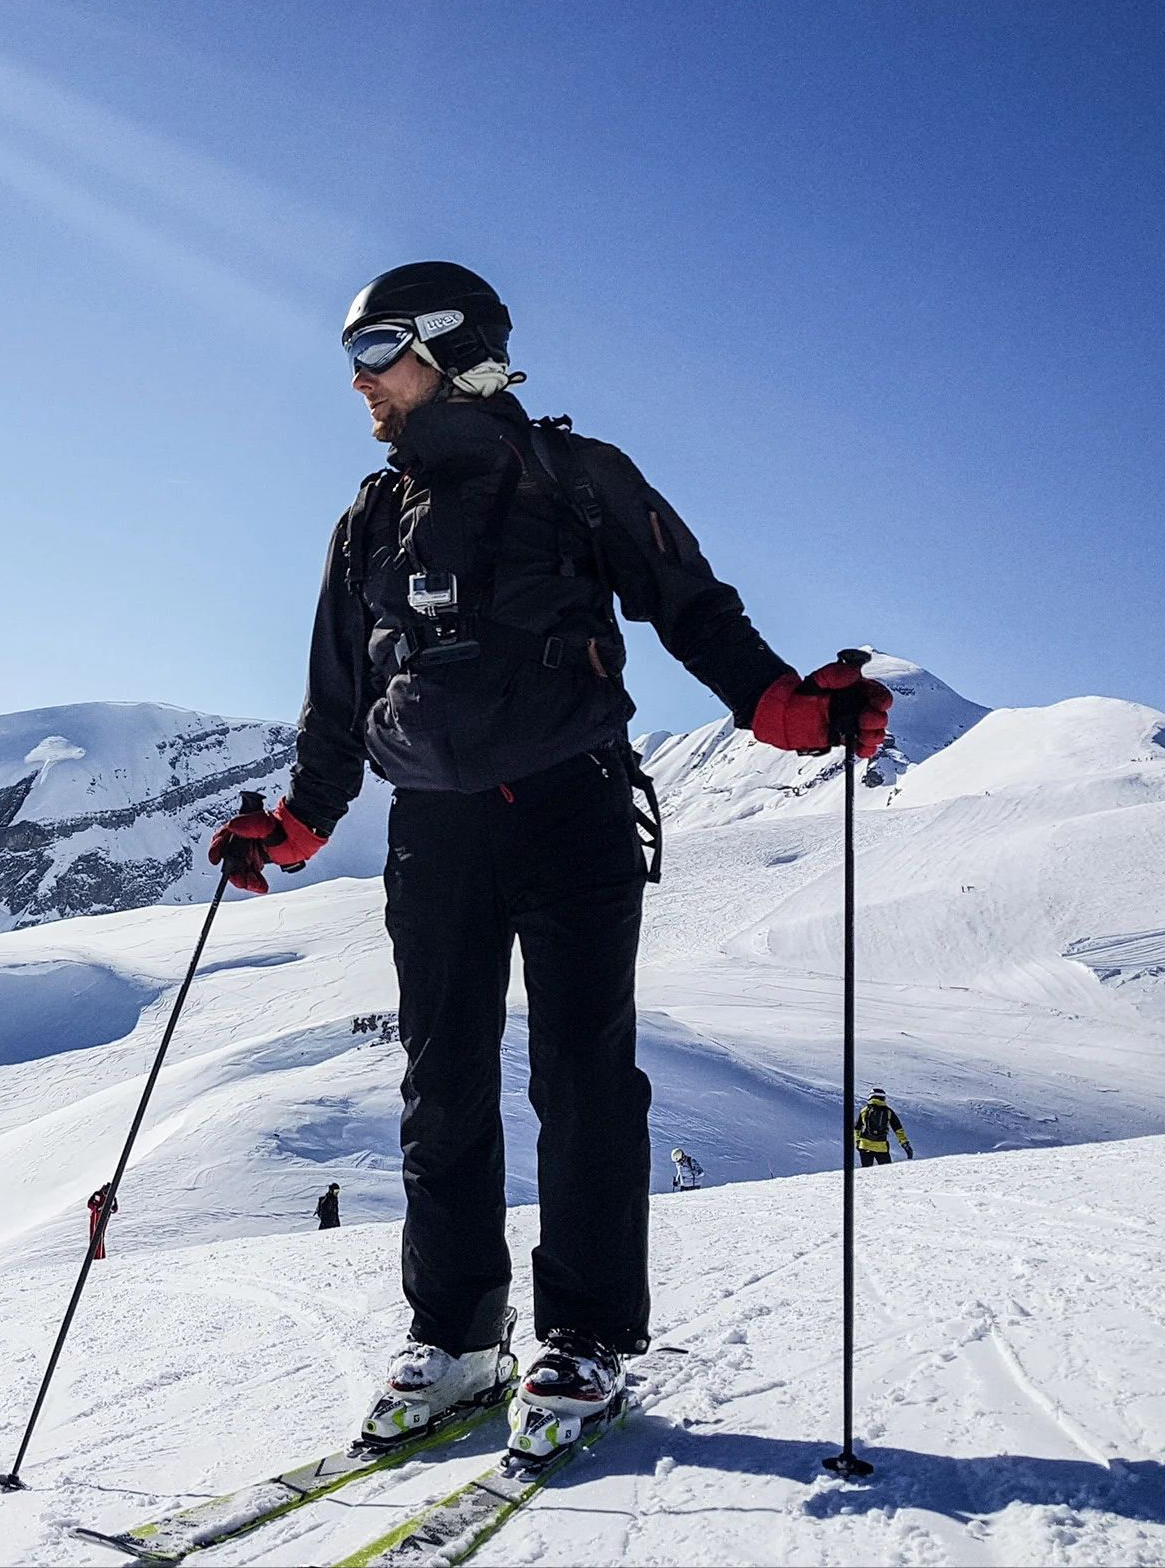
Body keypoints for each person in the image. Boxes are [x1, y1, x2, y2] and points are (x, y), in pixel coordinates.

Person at [209, 261, 890, 1458]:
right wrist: (303, 823)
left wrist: (783, 705)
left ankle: (582, 1337)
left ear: (450, 348)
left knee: (583, 1076)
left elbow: (693, 607)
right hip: (435, 832)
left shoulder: (581, 477)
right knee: (444, 1084)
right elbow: (334, 702)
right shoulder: (366, 520)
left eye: (376, 351)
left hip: (573, 810)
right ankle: (459, 1337)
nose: (357, 381)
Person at [855, 1089, 912, 1167]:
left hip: (865, 1146)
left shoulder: (864, 1110)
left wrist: (857, 1141)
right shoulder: (888, 1112)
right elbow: (898, 1129)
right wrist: (905, 1144)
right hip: (881, 1146)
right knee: (886, 1171)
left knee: (866, 1171)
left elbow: (857, 1128)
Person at [85, 1183, 117, 1260]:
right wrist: (97, 1208)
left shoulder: (112, 1197)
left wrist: (110, 1209)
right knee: (94, 1235)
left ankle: (100, 1255)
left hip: (104, 1218)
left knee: (100, 1235)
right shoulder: (97, 1194)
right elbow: (89, 1204)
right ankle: (94, 1255)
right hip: (95, 1217)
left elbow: (115, 1208)